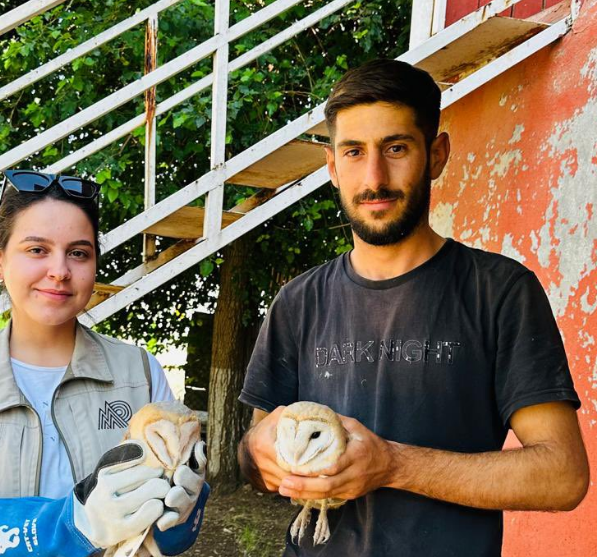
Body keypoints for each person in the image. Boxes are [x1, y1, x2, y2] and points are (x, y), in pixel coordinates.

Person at [237, 59, 590, 556]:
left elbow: (563, 474)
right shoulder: (298, 302)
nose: (374, 177)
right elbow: (255, 456)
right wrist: (259, 458)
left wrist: (393, 464)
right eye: (354, 153)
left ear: (437, 154)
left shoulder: (500, 291)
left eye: (396, 148)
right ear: (332, 168)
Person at [0, 169, 208, 557]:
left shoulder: (139, 373)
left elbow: (163, 532)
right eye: (37, 250)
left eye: (78, 253)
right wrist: (75, 523)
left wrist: (178, 520)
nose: (59, 271)